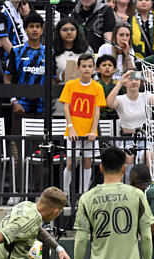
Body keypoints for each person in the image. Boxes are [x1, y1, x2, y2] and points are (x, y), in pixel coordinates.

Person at [59, 53, 105, 195]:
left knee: (87, 162)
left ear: (94, 69)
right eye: (84, 66)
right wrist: (71, 128)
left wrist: (93, 131)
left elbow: (97, 111)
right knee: (71, 163)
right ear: (78, 68)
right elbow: (66, 107)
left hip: (89, 133)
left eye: (89, 66)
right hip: (73, 132)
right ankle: (64, 193)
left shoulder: (97, 87)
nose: (86, 69)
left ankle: (84, 193)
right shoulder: (70, 85)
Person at [53, 16, 92, 88]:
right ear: (58, 32)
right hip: (59, 91)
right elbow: (49, 78)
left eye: (72, 29)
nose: (69, 32)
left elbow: (94, 74)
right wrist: (62, 76)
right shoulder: (52, 51)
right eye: (65, 30)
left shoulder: (87, 50)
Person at [96, 54, 118, 120]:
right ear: (98, 69)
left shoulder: (118, 85)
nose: (107, 67)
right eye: (104, 65)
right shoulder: (94, 84)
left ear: (114, 69)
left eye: (110, 65)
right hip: (99, 116)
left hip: (116, 116)